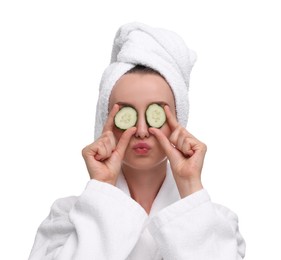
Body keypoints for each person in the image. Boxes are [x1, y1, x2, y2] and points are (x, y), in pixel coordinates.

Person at [28, 22, 246, 260]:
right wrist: (103, 189)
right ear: (106, 121)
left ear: (178, 120)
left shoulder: (218, 223)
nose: (142, 130)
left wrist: (190, 186)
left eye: (155, 114)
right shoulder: (65, 218)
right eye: (127, 115)